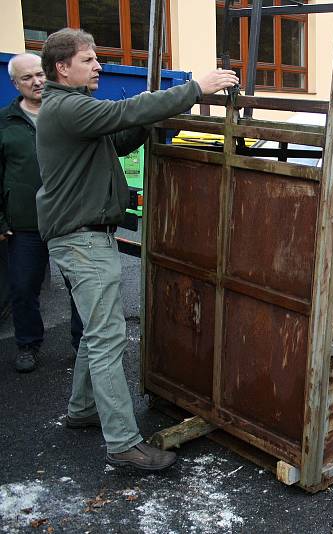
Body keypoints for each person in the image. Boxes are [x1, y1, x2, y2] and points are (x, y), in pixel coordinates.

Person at [36, 28, 238, 471]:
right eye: (88, 61)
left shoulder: (69, 110)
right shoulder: (67, 107)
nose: (98, 67)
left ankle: (83, 410)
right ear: (62, 68)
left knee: (96, 332)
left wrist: (149, 118)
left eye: (96, 59)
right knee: (108, 340)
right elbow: (123, 112)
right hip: (83, 241)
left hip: (85, 237)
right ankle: (123, 445)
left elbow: (120, 136)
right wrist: (193, 90)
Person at [1, 53, 83, 373]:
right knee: (22, 287)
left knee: (79, 284)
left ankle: (81, 344)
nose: (36, 82)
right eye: (26, 78)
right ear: (15, 84)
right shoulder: (4, 122)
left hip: (67, 219)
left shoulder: (68, 113)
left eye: (40, 74)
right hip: (25, 223)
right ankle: (28, 345)